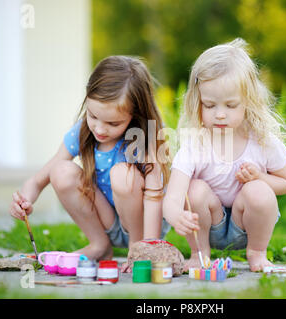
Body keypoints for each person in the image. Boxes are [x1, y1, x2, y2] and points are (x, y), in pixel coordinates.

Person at [10, 56, 171, 270]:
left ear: (135, 115)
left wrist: (147, 249)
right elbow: (38, 180)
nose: (100, 129)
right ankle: (99, 245)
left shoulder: (145, 139)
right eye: (93, 116)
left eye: (113, 123)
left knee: (123, 174)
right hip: (109, 222)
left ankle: (136, 247)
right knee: (60, 171)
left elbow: (153, 199)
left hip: (145, 224)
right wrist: (26, 200)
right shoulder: (83, 132)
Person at [163, 39, 286, 272]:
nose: (220, 114)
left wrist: (260, 178)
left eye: (231, 105)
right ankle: (199, 255)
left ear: (249, 102)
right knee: (194, 189)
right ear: (197, 102)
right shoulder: (196, 143)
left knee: (258, 190)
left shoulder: (261, 139)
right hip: (207, 224)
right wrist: (174, 215)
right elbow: (174, 194)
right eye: (210, 105)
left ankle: (257, 254)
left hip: (248, 226)